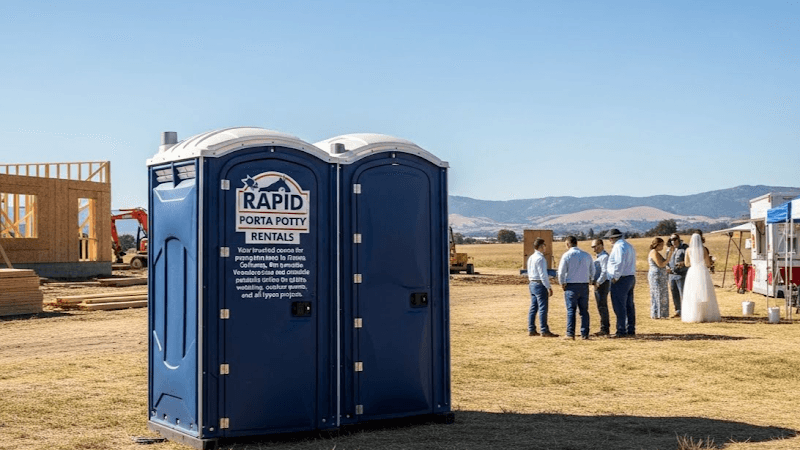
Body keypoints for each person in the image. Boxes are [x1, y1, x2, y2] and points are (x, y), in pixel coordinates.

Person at [557, 236, 595, 340]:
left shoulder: (567, 255)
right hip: (584, 285)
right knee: (584, 310)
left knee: (571, 310)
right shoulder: (587, 255)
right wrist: (591, 279)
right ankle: (585, 333)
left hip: (571, 285)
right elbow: (593, 269)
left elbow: (561, 272)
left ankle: (570, 333)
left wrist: (562, 283)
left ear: (568, 244)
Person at [681, 233, 721, 323]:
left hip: (692, 271)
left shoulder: (688, 250)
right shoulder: (703, 249)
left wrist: (694, 263)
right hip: (702, 271)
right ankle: (705, 314)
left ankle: (693, 315)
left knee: (692, 293)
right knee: (705, 292)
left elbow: (686, 263)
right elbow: (708, 263)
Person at [605, 228, 637, 338]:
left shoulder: (619, 247)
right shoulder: (629, 246)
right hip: (630, 277)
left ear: (612, 238)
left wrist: (615, 277)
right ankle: (630, 328)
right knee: (629, 305)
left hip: (621, 279)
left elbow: (619, 264)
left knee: (619, 305)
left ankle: (621, 330)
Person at [527, 238, 559, 337]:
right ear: (541, 247)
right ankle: (544, 330)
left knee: (533, 307)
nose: (545, 248)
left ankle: (531, 329)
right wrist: (548, 286)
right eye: (544, 246)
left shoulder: (531, 257)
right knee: (542, 308)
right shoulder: (541, 258)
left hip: (532, 283)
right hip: (540, 284)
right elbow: (543, 275)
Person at [590, 239, 611, 336]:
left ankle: (605, 329)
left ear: (601, 245)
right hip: (598, 283)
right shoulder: (599, 257)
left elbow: (605, 272)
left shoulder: (604, 257)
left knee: (602, 306)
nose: (594, 249)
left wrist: (598, 282)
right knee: (600, 306)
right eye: (592, 247)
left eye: (595, 246)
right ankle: (604, 328)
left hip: (602, 284)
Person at [666, 233, 689, 318]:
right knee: (674, 293)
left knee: (683, 294)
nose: (673, 241)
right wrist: (667, 267)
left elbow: (688, 260)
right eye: (671, 239)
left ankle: (686, 311)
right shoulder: (669, 250)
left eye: (675, 239)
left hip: (681, 275)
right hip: (671, 275)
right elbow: (666, 261)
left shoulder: (685, 248)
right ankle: (678, 311)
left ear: (679, 239)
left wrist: (682, 264)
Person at [647, 237, 669, 319]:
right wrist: (669, 256)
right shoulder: (654, 252)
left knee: (661, 294)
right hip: (656, 276)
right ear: (657, 245)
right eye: (661, 245)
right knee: (658, 294)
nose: (662, 247)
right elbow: (661, 264)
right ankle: (657, 313)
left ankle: (661, 313)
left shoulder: (656, 252)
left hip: (660, 276)